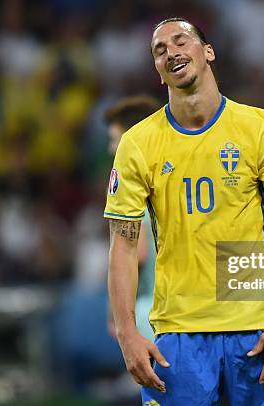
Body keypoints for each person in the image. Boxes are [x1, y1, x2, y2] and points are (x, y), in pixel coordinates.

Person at [104, 17, 264, 405]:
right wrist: (127, 333)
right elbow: (124, 246)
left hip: (260, 332)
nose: (171, 52)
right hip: (178, 342)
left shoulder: (260, 131)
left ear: (207, 52)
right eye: (160, 50)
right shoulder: (138, 145)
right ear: (158, 71)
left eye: (181, 41)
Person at [104, 95, 162, 342]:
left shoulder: (135, 198)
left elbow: (135, 255)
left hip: (151, 314)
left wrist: (115, 315)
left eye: (115, 139)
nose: (111, 148)